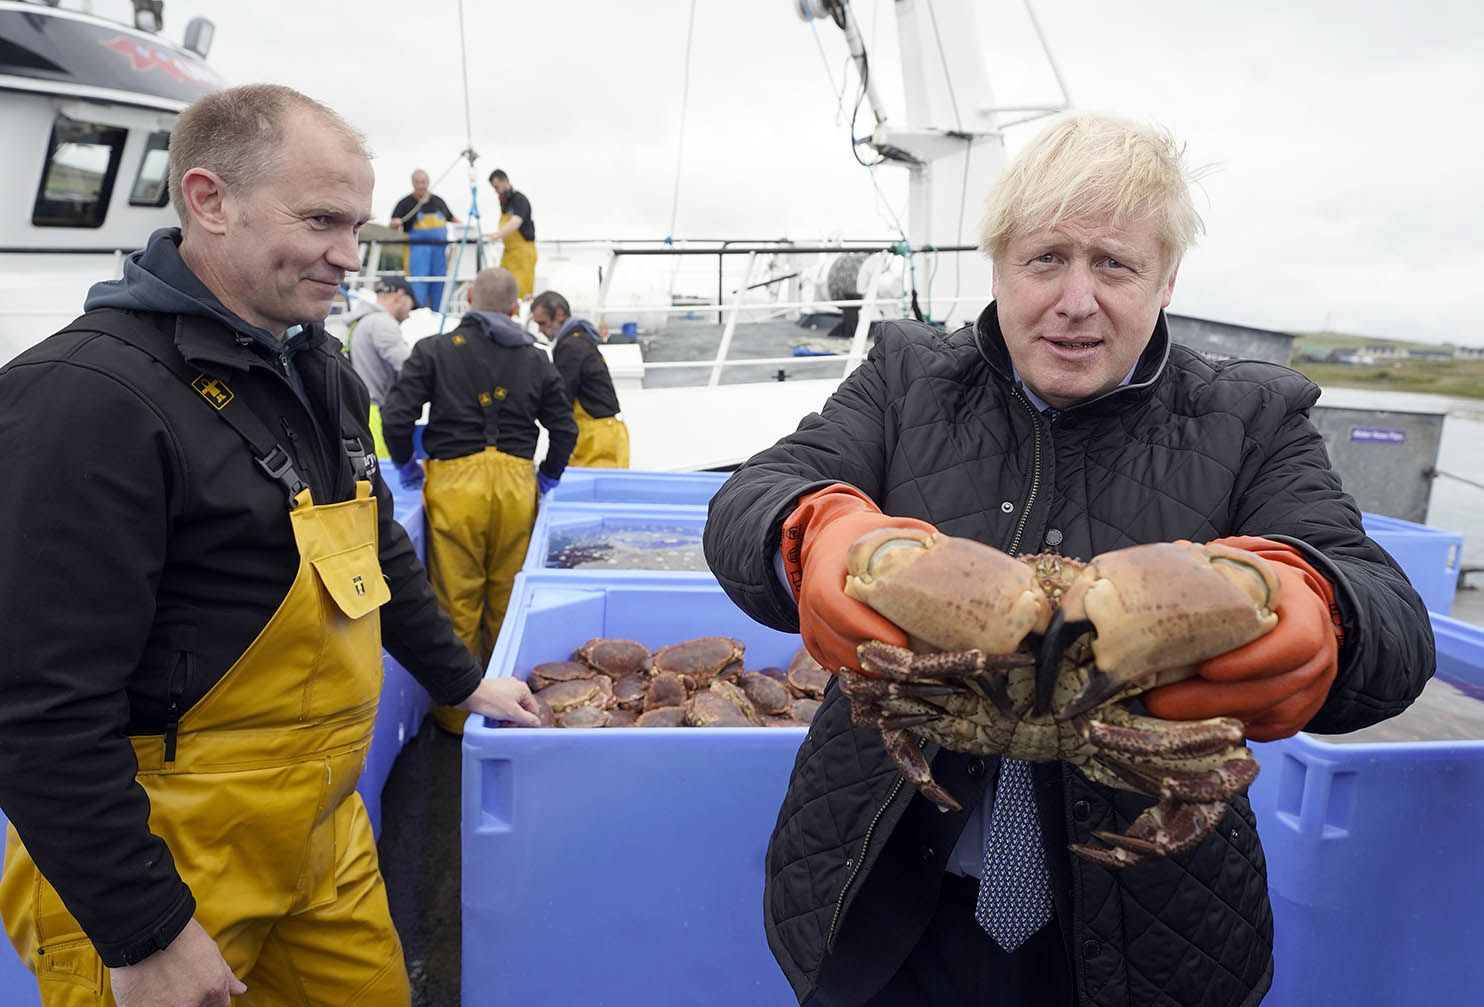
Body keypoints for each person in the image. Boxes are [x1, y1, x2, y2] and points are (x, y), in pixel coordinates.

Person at [702, 111, 1435, 1007]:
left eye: (1115, 264)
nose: (1076, 299)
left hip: (1155, 938)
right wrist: (809, 530)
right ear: (1001, 265)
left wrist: (1326, 611)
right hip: (880, 903)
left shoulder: (1252, 419)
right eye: (1046, 258)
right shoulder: (903, 379)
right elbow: (755, 494)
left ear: (1166, 279)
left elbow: (1384, 609)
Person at [0, 84, 541, 1007]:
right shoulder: (84, 398)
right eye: (323, 219)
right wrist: (144, 930)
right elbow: (39, 702)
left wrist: (459, 680)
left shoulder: (314, 366)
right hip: (171, 859)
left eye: (358, 225)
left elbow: (372, 549)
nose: (348, 254)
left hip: (325, 836)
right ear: (209, 200)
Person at [382, 267, 578, 735]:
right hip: (514, 483)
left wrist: (408, 468)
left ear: (469, 297)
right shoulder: (537, 358)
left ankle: (456, 715)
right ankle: (509, 703)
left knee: (456, 599)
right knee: (508, 599)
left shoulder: (434, 349)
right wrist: (546, 477)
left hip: (454, 482)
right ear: (514, 308)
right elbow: (564, 429)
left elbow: (395, 417)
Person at [530, 289, 630, 468]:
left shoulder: (572, 348)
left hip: (597, 440)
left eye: (543, 323)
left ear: (559, 314)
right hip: (603, 433)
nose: (540, 330)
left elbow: (560, 397)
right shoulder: (581, 340)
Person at [341, 275, 417, 457]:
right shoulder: (382, 323)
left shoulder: (361, 322)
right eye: (411, 304)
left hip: (359, 412)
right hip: (376, 416)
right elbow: (409, 366)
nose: (409, 313)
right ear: (399, 296)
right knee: (385, 475)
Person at [390, 168, 460, 312]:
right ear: (412, 183)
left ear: (428, 182)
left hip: (439, 253)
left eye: (423, 182)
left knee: (440, 283)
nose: (421, 185)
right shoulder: (405, 203)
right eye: (417, 182)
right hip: (417, 253)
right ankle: (416, 314)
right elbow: (392, 224)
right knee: (417, 284)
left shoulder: (439, 201)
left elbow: (452, 218)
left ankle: (439, 313)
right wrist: (395, 223)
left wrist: (468, 227)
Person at [486, 169, 537, 298]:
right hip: (508, 254)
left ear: (505, 181)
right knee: (504, 288)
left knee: (520, 291)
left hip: (523, 253)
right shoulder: (505, 204)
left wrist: (495, 235)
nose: (496, 191)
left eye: (497, 187)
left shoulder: (519, 200)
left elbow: (515, 222)